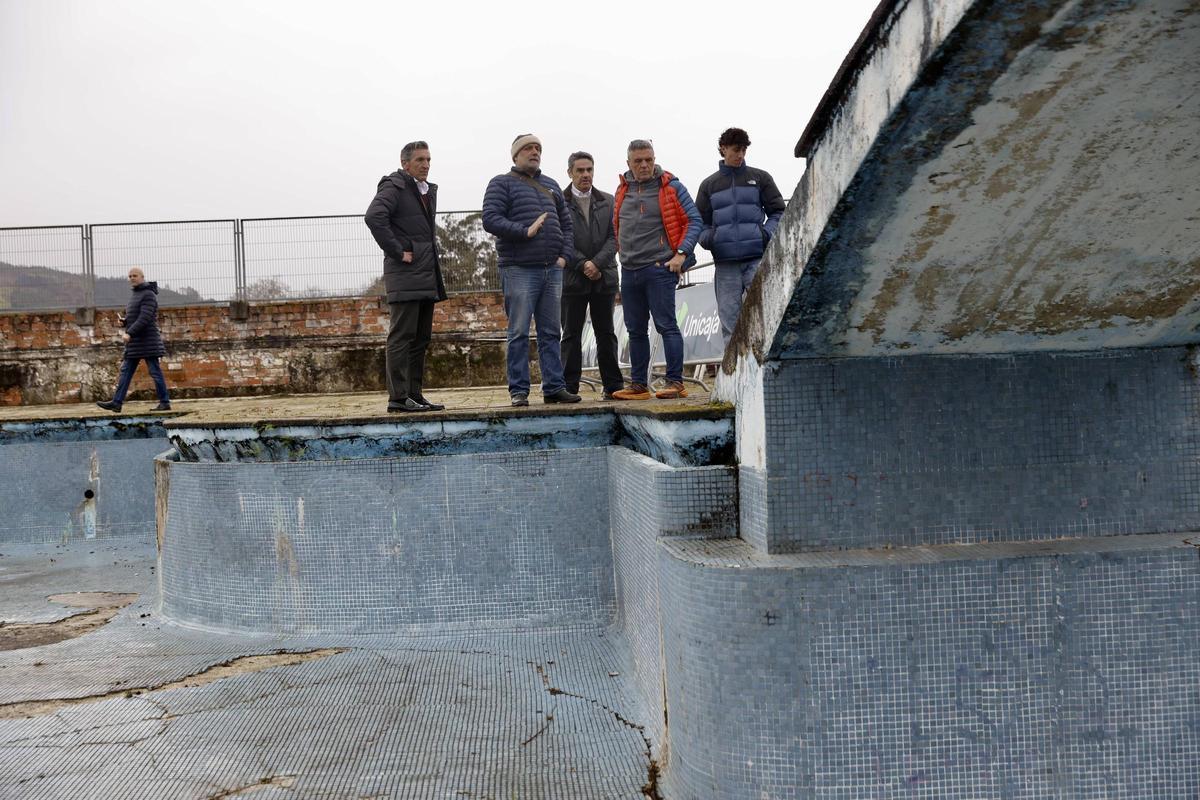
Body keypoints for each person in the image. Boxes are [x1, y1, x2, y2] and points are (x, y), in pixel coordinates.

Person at [482, 134, 579, 407]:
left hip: (553, 270)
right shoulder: (501, 183)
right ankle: (519, 390)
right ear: (515, 155)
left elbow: (567, 225)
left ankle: (554, 387)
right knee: (519, 332)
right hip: (518, 269)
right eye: (528, 148)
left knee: (551, 333)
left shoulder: (552, 185)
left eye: (538, 148)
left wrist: (564, 257)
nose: (534, 152)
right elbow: (490, 219)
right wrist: (525, 231)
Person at [610, 139, 702, 401]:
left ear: (654, 159)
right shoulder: (621, 190)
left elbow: (694, 220)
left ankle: (676, 382)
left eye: (648, 159)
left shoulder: (671, 187)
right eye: (638, 161)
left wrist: (681, 254)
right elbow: (617, 226)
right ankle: (639, 385)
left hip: (659, 268)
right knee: (635, 329)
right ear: (628, 163)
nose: (644, 165)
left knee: (666, 325)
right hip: (629, 270)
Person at [365, 140, 448, 413]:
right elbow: (374, 217)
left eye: (428, 160)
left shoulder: (423, 190)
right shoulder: (395, 185)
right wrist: (398, 251)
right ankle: (398, 398)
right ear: (405, 164)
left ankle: (415, 394)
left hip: (425, 274)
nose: (425, 165)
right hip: (406, 274)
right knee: (401, 337)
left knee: (421, 338)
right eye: (420, 160)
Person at [695, 127, 786, 346]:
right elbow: (698, 222)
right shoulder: (708, 185)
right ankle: (734, 376)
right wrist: (711, 239)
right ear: (723, 148)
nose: (741, 155)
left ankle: (767, 372)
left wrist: (765, 234)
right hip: (725, 265)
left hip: (756, 259)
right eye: (736, 150)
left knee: (766, 317)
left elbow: (779, 211)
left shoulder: (760, 177)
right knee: (730, 326)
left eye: (744, 150)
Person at [561, 151, 623, 400]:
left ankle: (613, 386)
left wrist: (596, 263)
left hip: (603, 277)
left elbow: (615, 236)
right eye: (580, 170)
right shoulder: (558, 203)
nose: (586, 174)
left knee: (606, 333)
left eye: (589, 170)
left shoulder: (608, 201)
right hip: (573, 279)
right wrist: (582, 263)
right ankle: (568, 387)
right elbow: (560, 239)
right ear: (570, 173)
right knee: (571, 335)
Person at [96, 267, 171, 412]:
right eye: (130, 276)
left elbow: (145, 318)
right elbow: (136, 316)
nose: (132, 278)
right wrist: (125, 321)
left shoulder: (148, 294)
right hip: (136, 343)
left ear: (142, 277)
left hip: (148, 341)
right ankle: (117, 403)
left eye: (135, 275)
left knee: (155, 371)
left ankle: (164, 402)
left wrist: (129, 332)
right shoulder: (135, 295)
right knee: (126, 371)